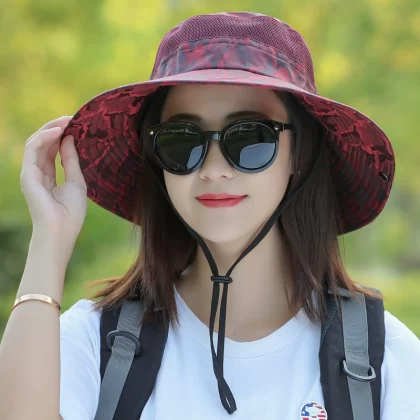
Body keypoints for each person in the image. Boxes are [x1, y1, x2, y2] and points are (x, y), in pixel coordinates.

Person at [0, 11, 419, 420]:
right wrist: (49, 241)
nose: (214, 169)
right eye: (182, 141)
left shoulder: (389, 364)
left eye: (250, 138)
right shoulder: (93, 345)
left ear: (300, 153)